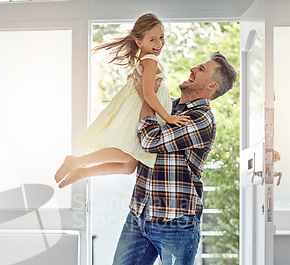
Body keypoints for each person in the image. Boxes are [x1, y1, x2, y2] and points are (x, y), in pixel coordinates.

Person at [102, 52, 237, 265]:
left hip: (176, 222)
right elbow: (131, 135)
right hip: (140, 215)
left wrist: (147, 101)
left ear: (210, 86)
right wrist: (147, 94)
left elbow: (149, 140)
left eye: (201, 69)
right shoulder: (168, 105)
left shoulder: (200, 120)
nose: (192, 68)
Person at [54, 13, 189, 189]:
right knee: (125, 156)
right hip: (138, 112)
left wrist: (170, 101)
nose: (159, 44)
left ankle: (83, 171)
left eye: (161, 37)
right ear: (139, 42)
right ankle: (77, 161)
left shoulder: (145, 59)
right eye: (152, 40)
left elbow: (155, 92)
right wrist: (169, 117)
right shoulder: (150, 61)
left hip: (138, 107)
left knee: (128, 166)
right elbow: (148, 94)